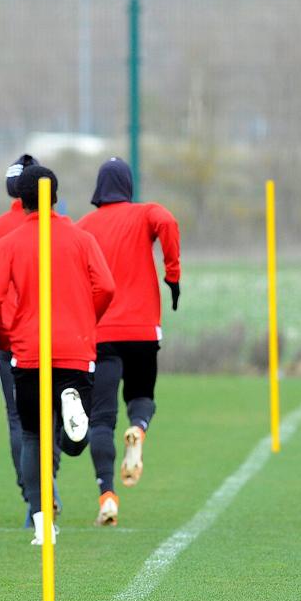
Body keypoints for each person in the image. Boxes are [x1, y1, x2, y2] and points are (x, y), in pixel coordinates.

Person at [0, 165, 116, 543]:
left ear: (19, 200)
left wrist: (3, 336)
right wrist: (87, 319)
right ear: (54, 195)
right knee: (73, 441)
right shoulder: (81, 238)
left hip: (28, 350)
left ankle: (42, 524)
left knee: (33, 436)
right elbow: (105, 286)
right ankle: (72, 411)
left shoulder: (8, 243)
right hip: (75, 347)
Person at [77, 158, 181, 509]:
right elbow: (167, 220)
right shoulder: (144, 213)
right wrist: (173, 274)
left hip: (102, 333)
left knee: (101, 419)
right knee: (141, 395)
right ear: (127, 186)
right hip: (141, 332)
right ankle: (138, 427)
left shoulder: (85, 226)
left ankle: (107, 493)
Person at [0, 153, 60, 524]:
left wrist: (1, 332)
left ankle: (33, 501)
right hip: (57, 338)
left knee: (19, 422)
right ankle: (50, 483)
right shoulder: (60, 228)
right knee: (52, 416)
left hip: (11, 341)